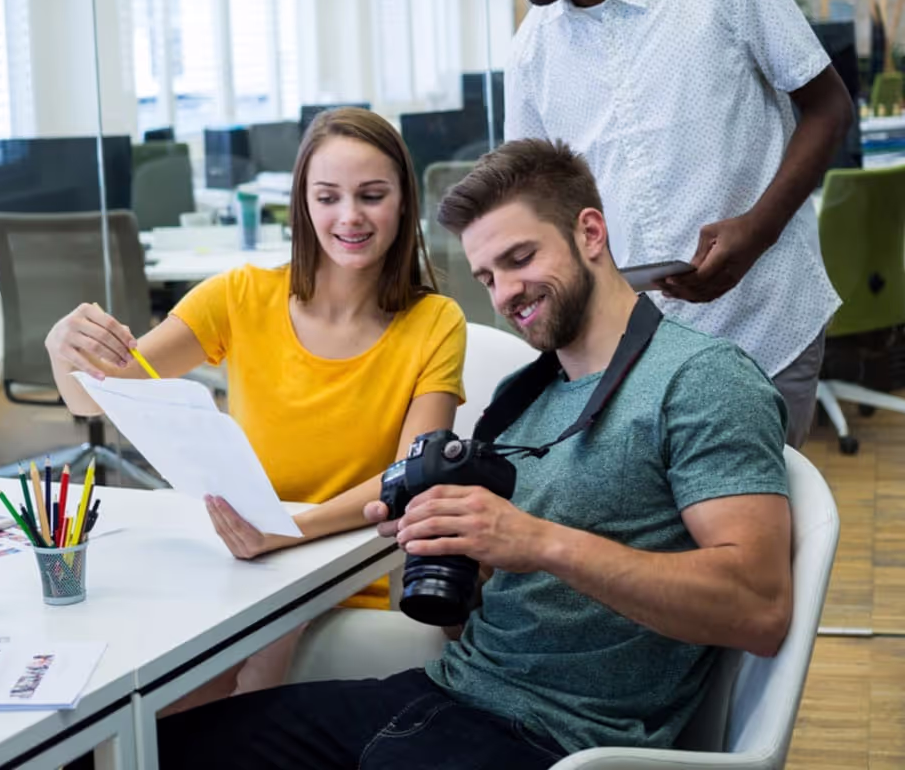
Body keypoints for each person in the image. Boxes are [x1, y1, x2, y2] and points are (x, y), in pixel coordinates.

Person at [156, 139, 791, 770]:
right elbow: (478, 619)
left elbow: (759, 608)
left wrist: (537, 542)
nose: (507, 292)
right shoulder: (520, 399)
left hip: (560, 743)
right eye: (488, 276)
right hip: (440, 699)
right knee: (154, 751)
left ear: (590, 233)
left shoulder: (702, 379)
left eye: (521, 258)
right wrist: (444, 551)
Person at [46, 107, 466, 696]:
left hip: (341, 562)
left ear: (403, 203)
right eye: (328, 197)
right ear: (303, 203)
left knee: (215, 687)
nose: (350, 216)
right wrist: (62, 350)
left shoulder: (434, 321)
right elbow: (98, 401)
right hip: (236, 558)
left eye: (372, 195)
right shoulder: (239, 296)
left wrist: (290, 531)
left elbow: (410, 476)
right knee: (121, 675)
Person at [474, 0, 852, 448]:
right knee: (657, 543)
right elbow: (535, 208)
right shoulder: (531, 56)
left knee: (752, 539)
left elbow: (828, 109)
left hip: (761, 316)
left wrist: (755, 231)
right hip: (632, 352)